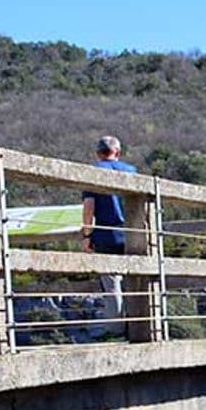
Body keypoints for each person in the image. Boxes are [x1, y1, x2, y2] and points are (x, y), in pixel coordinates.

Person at [81, 135, 136, 327]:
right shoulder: (132, 172)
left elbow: (89, 208)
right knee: (135, 279)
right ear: (118, 153)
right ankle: (138, 324)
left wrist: (87, 235)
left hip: (106, 233)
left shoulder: (93, 171)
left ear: (98, 154)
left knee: (111, 281)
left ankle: (116, 326)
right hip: (132, 233)